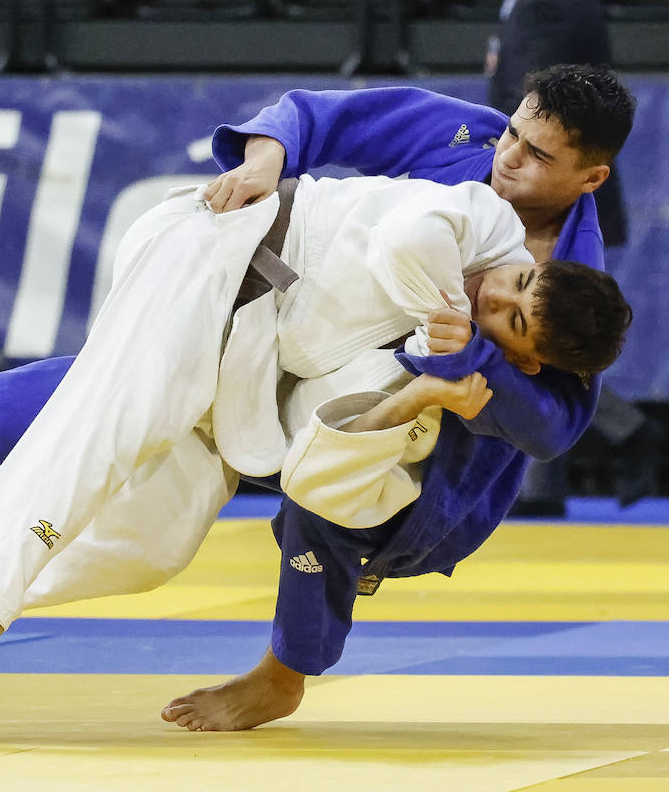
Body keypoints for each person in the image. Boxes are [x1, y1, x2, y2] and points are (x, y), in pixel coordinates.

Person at [0, 162, 630, 732]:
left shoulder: (433, 370)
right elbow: (406, 244)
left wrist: (419, 388)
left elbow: (318, 479)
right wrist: (452, 323)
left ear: (522, 357)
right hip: (216, 251)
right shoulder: (479, 225)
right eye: (518, 285)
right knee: (118, 412)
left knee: (158, 543)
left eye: (510, 320)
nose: (495, 298)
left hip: (240, 372)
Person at [159, 64, 636, 731]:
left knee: (327, 483)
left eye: (538, 156)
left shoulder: (571, 279)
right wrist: (265, 161)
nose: (509, 155)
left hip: (426, 462)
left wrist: (474, 364)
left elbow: (556, 426)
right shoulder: (470, 139)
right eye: (515, 133)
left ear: (591, 178)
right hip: (299, 349)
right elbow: (317, 113)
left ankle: (283, 673)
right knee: (106, 394)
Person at [485, 0, 660, 516]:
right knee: (537, 321)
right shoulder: (548, 1)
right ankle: (545, 485)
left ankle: (620, 435)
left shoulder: (549, 6)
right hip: (546, 192)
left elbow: (542, 118)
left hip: (544, 198)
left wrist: (506, 175)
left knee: (539, 320)